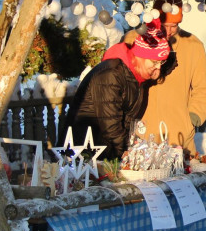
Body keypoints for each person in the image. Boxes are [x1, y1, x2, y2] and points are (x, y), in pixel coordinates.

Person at [60, 24, 171, 160]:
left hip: (105, 152)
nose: (158, 67)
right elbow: (110, 124)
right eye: (154, 62)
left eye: (161, 62)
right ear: (140, 56)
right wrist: (126, 154)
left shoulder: (137, 76)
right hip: (84, 153)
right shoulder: (111, 74)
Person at [128, 0, 206, 154]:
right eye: (164, 25)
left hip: (180, 136)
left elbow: (204, 89)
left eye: (174, 26)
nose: (168, 31)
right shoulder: (134, 39)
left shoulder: (193, 45)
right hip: (142, 135)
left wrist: (191, 118)